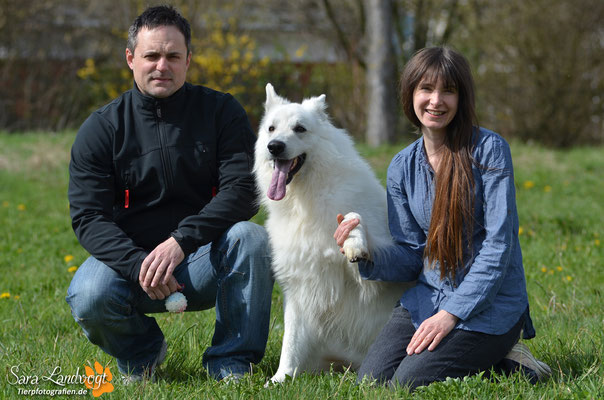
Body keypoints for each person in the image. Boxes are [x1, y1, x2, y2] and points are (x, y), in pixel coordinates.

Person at [66, 5, 274, 382]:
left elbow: (244, 192)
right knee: (88, 293)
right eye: (151, 55)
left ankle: (231, 361)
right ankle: (142, 353)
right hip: (133, 266)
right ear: (131, 59)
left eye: (173, 56)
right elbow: (88, 218)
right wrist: (138, 264)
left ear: (188, 60)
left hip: (204, 258)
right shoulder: (100, 129)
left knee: (252, 238)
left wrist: (181, 241)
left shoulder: (221, 111)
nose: (162, 65)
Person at [334, 46, 551, 390]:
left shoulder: (490, 151)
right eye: (426, 89)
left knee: (407, 383)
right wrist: (366, 250)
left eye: (448, 90)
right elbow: (411, 255)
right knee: (371, 382)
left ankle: (509, 355)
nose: (436, 101)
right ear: (410, 94)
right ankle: (498, 358)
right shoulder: (401, 168)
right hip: (429, 298)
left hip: (490, 305)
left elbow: (498, 247)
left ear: (461, 98)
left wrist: (451, 315)